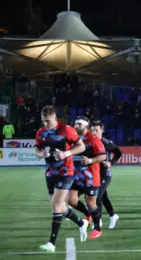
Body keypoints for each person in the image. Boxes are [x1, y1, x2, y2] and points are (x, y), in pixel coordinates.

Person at [34, 105, 89, 252]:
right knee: (56, 205)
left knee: (56, 204)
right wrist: (41, 154)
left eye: (48, 121)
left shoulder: (67, 130)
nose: (46, 124)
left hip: (66, 171)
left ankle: (51, 243)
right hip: (50, 172)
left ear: (55, 118)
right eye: (43, 121)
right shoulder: (41, 133)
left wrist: (66, 154)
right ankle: (81, 223)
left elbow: (81, 146)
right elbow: (37, 149)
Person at [67, 116, 107, 239]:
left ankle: (97, 228)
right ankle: (87, 215)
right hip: (76, 176)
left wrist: (90, 160)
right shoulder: (73, 139)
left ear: (86, 126)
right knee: (71, 200)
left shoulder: (93, 140)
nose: (76, 126)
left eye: (79, 124)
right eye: (75, 123)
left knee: (91, 204)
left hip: (90, 177)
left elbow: (103, 156)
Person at [91, 120, 121, 230]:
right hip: (95, 174)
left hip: (105, 174)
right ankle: (113, 215)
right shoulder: (89, 142)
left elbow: (119, 152)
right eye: (92, 130)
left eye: (97, 130)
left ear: (102, 131)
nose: (94, 133)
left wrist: (110, 163)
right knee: (103, 197)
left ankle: (97, 221)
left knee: (97, 197)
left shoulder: (106, 143)